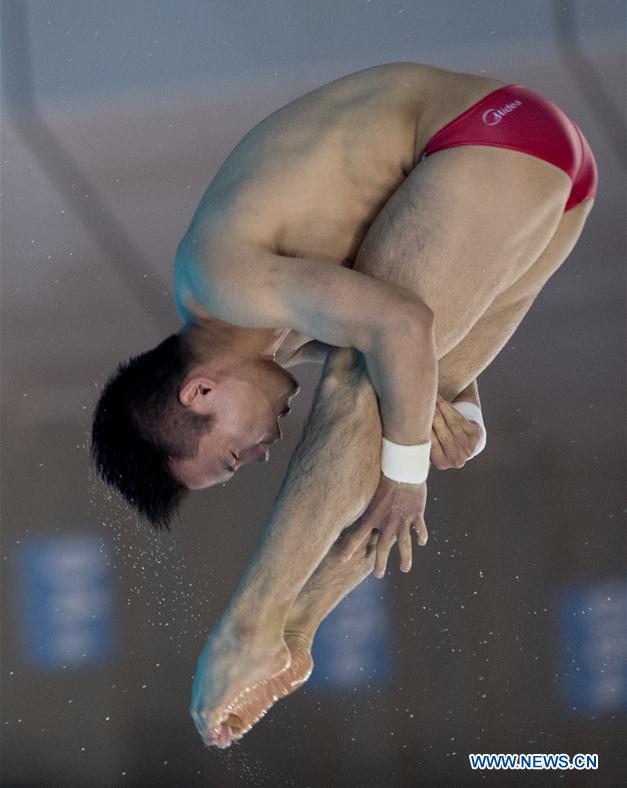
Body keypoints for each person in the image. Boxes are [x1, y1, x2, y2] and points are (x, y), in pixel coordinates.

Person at [90, 62, 597, 748]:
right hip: (541, 171)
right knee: (386, 405)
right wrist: (451, 427)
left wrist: (406, 473)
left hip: (480, 137)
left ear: (200, 390)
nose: (264, 449)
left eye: (236, 454)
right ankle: (295, 628)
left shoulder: (218, 276)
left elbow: (403, 326)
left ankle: (246, 627)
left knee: (361, 387)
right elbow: (438, 366)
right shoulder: (279, 319)